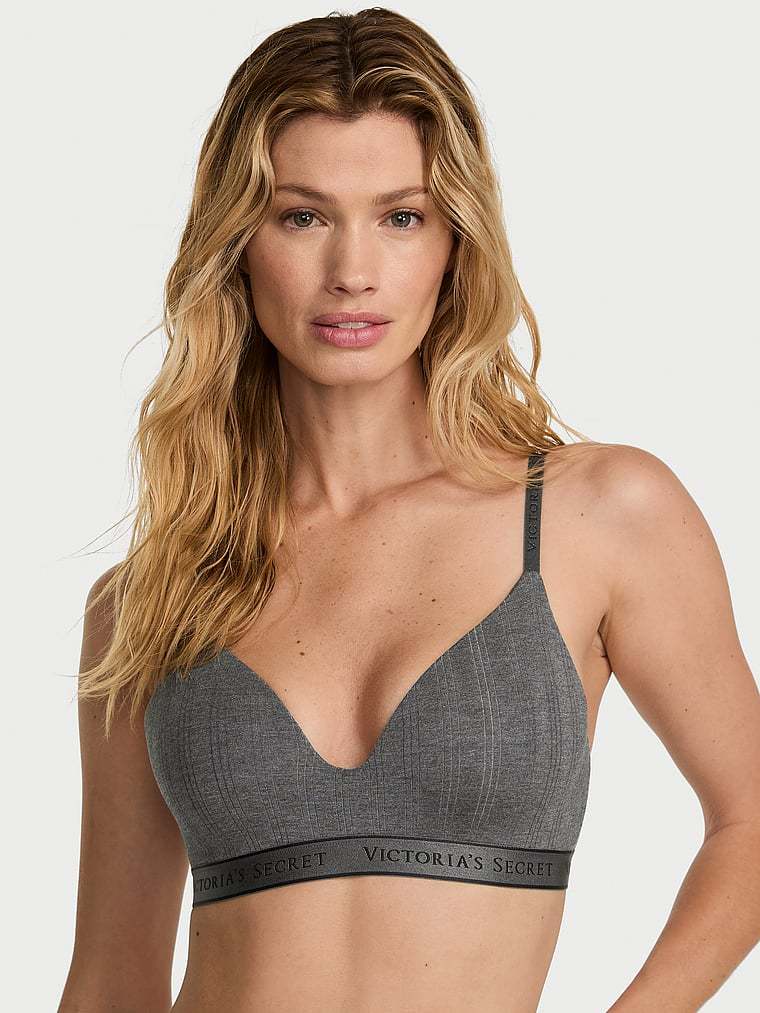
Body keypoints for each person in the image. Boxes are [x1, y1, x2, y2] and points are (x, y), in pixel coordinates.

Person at [59, 8, 760, 1012]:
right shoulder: (150, 598)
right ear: (238, 243)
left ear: (454, 241)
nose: (352, 271)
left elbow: (749, 822)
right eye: (301, 216)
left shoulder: (599, 516)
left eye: (400, 216)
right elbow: (110, 979)